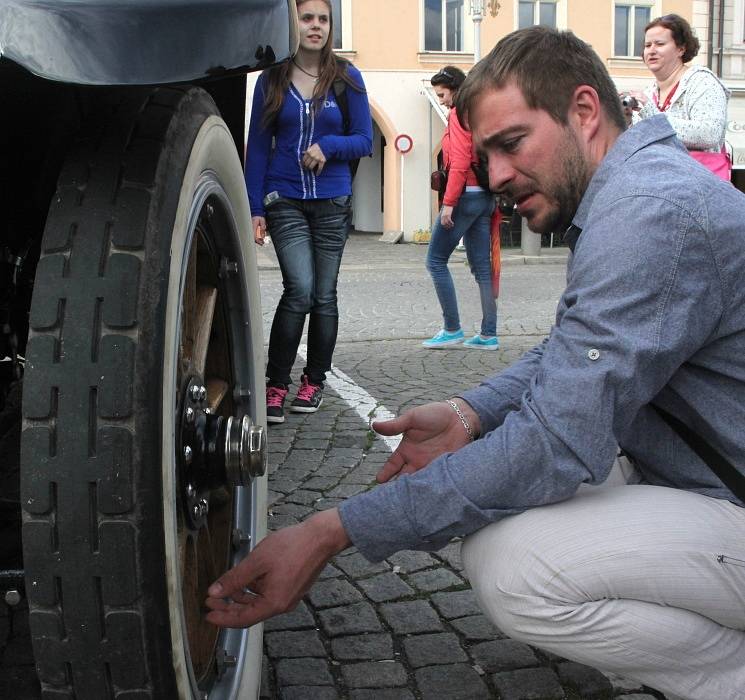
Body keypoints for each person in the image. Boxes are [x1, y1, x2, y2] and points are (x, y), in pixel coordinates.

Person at [207, 26, 745, 699]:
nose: (492, 178)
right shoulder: (635, 191)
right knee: (504, 501)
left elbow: (554, 443)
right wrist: (469, 411)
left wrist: (331, 530)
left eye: (510, 144)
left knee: (514, 566)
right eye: (484, 154)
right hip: (705, 477)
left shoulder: (648, 213)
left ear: (582, 111)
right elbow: (574, 351)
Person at [245, 0, 372, 423]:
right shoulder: (272, 79)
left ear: (330, 26)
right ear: (292, 23)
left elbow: (364, 140)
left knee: (324, 295)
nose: (315, 26)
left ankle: (313, 380)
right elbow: (258, 147)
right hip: (285, 200)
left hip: (333, 202)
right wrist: (253, 206)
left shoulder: (346, 78)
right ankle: (276, 384)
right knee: (299, 289)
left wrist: (329, 146)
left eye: (322, 19)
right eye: (306, 18)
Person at [423, 66, 499, 350]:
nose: (441, 100)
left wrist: (448, 204)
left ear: (454, 89)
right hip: (485, 196)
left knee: (435, 261)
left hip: (465, 195)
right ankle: (489, 334)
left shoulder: (459, 113)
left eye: (442, 94)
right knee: (481, 267)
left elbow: (460, 162)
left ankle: (452, 328)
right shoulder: (480, 112)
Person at [627, 13, 731, 180]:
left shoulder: (702, 82)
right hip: (660, 187)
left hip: (700, 188)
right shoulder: (648, 93)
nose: (651, 50)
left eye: (659, 44)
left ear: (681, 49)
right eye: (647, 45)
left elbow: (709, 134)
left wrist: (652, 115)